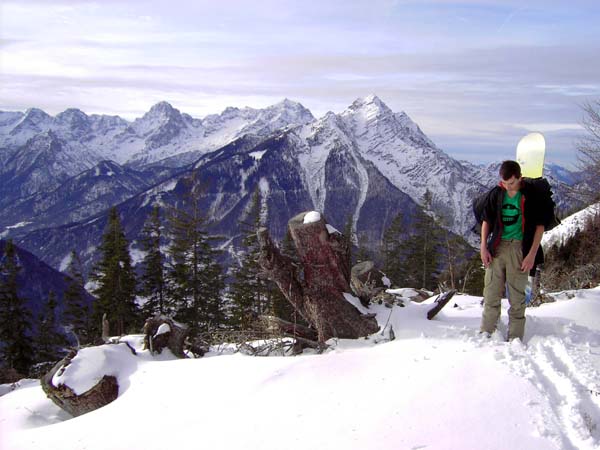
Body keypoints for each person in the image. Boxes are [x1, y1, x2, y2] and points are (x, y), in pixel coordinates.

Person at [477, 160, 546, 341]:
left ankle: (515, 337)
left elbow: (540, 227)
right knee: (491, 292)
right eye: (504, 183)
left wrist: (531, 255)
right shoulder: (497, 193)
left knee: (516, 296)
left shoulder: (530, 195)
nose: (508, 186)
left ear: (520, 178)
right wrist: (483, 246)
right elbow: (487, 221)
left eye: (512, 183)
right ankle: (486, 332)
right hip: (497, 247)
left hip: (519, 248)